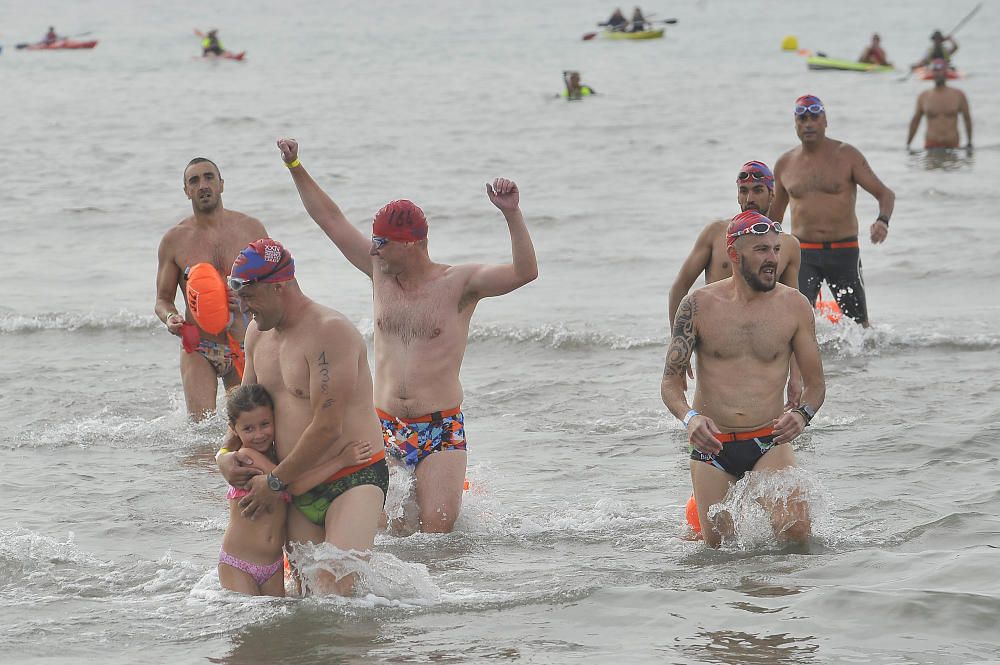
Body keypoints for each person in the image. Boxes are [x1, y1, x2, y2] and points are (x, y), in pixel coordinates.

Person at [276, 138, 538, 534]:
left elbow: (525, 272)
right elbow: (330, 219)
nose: (375, 250)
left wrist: (512, 214)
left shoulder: (459, 284)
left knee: (438, 531)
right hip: (382, 423)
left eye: (383, 243)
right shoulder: (378, 271)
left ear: (411, 243)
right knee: (389, 530)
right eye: (374, 242)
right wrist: (295, 166)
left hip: (440, 426)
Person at [216, 238, 389, 596]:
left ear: (278, 286)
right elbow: (243, 411)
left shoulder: (329, 332)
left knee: (332, 591)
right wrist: (223, 457)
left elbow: (328, 426)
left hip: (352, 474)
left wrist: (275, 482)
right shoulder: (256, 335)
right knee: (309, 596)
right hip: (294, 484)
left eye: (248, 296)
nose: (244, 308)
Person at [660, 210, 826, 549]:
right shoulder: (697, 306)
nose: (773, 259)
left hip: (768, 440)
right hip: (713, 448)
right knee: (719, 553)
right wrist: (689, 418)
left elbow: (816, 385)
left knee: (796, 534)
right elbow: (670, 384)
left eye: (776, 250)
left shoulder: (794, 306)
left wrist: (802, 415)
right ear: (734, 255)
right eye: (762, 250)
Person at [218, 384, 374, 596]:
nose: (259, 434)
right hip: (239, 564)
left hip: (272, 568)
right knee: (249, 624)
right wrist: (341, 461)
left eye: (265, 424)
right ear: (234, 429)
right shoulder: (246, 456)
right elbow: (295, 485)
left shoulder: (278, 459)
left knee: (274, 626)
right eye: (248, 428)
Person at [668, 161, 802, 405]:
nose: (749, 197)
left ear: (772, 194)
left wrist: (797, 375)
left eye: (758, 190)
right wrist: (679, 347)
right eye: (744, 190)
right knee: (714, 405)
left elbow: (797, 313)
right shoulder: (715, 234)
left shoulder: (787, 245)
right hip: (717, 337)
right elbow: (679, 288)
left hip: (762, 338)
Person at [155, 158, 267, 421]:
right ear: (186, 191)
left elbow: (275, 285)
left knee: (250, 425)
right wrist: (171, 318)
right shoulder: (175, 240)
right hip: (199, 345)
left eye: (209, 177)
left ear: (221, 184)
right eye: (194, 181)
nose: (203, 185)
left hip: (245, 341)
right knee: (200, 431)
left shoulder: (251, 229)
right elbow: (162, 300)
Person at [770, 95, 895, 327]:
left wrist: (882, 221)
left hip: (843, 252)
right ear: (795, 123)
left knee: (860, 328)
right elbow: (774, 219)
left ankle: (861, 366)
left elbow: (885, 194)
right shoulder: (784, 164)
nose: (808, 123)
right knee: (797, 323)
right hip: (803, 254)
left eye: (814, 117)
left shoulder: (847, 156)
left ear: (825, 120)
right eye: (802, 118)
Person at [907, 59, 972, 151]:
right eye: (935, 70)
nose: (938, 74)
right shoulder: (924, 96)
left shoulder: (958, 95)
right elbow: (915, 121)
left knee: (955, 165)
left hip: (953, 146)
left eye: (940, 70)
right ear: (932, 72)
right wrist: (908, 145)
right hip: (931, 146)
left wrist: (969, 142)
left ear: (946, 72)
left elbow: (967, 119)